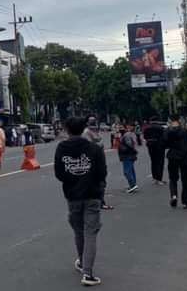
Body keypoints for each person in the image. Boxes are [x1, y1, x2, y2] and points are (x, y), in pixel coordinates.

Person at [54, 117, 107, 287]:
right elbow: (102, 173)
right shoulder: (94, 148)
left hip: (72, 195)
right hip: (92, 195)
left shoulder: (62, 147)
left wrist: (73, 180)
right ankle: (88, 273)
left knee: (79, 231)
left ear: (67, 129)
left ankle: (82, 262)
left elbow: (59, 173)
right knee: (90, 233)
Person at [83, 117, 112, 211]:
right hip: (93, 161)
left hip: (100, 160)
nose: (94, 122)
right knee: (98, 182)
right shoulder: (86, 132)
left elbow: (100, 142)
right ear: (87, 122)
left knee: (101, 181)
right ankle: (98, 202)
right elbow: (90, 145)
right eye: (92, 121)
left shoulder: (95, 131)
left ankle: (99, 201)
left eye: (94, 121)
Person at [164, 115, 187, 209]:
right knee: (186, 180)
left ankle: (174, 196)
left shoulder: (167, 131)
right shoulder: (185, 131)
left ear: (170, 121)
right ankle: (186, 202)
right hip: (184, 157)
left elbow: (164, 144)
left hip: (172, 157)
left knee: (173, 178)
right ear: (179, 121)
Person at [142, 117, 167, 185]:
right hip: (159, 146)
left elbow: (145, 137)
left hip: (150, 146)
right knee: (160, 162)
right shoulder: (161, 128)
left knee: (153, 161)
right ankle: (159, 179)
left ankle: (155, 178)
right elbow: (165, 137)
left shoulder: (147, 128)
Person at [117, 127, 139, 193]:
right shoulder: (127, 135)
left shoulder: (126, 136)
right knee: (131, 170)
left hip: (127, 155)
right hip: (130, 155)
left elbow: (129, 145)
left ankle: (132, 185)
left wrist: (124, 148)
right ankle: (133, 184)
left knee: (127, 171)